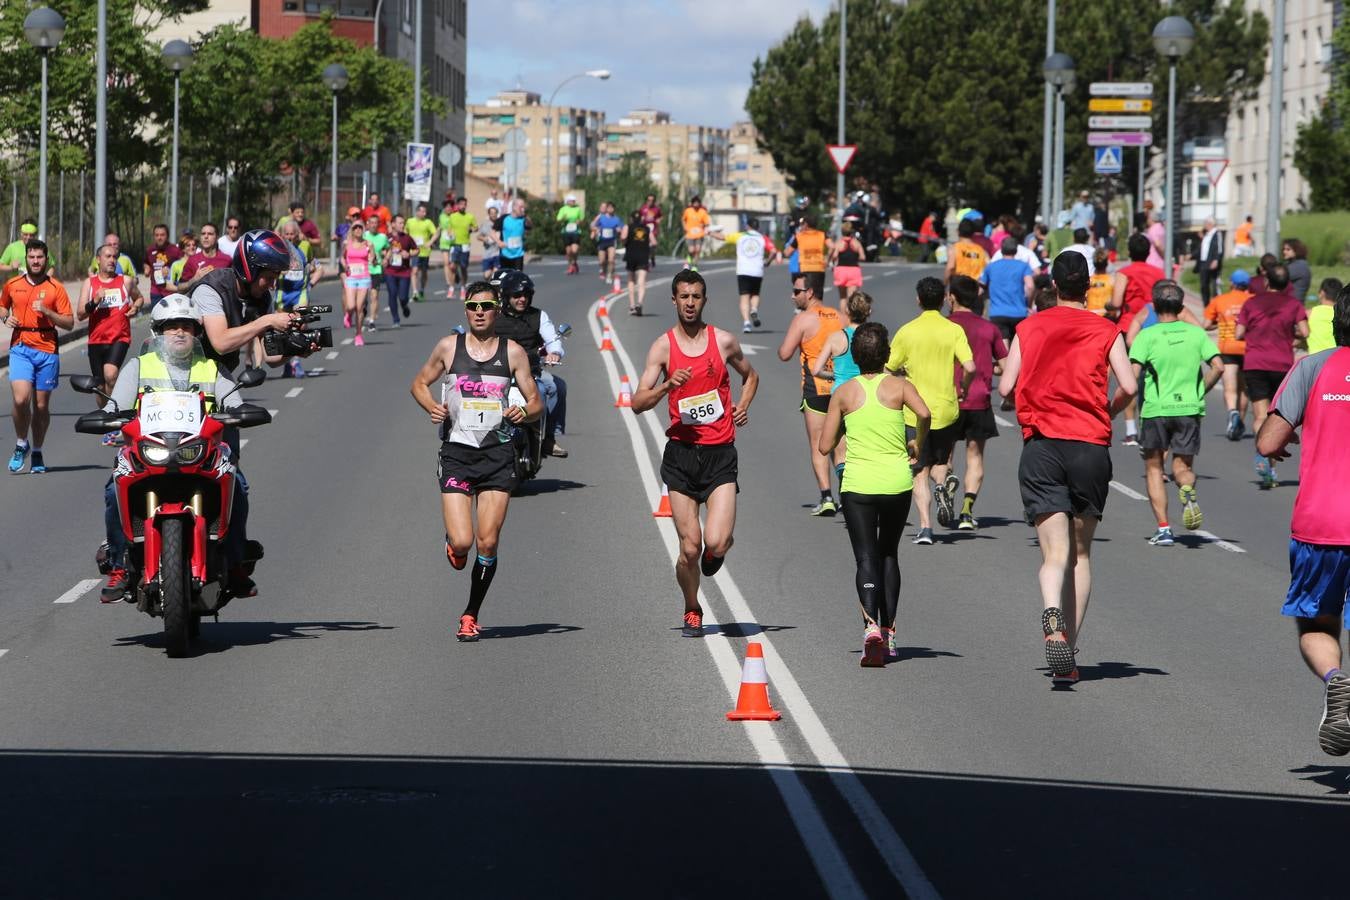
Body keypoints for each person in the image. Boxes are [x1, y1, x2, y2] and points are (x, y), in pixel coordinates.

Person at [998, 251, 1137, 686]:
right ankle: (1070, 650)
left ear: (1054, 285)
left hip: (1042, 446)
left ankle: (1051, 615)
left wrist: (1028, 398)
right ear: (1089, 286)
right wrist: (1106, 412)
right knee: (1080, 554)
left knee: (1053, 554)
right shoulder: (1107, 329)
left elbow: (1006, 386)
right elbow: (1129, 385)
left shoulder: (1029, 327)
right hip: (1089, 446)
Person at [409, 280, 544, 642]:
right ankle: (453, 544)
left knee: (488, 542)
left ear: (497, 310)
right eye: (473, 306)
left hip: (498, 455)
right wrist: (432, 406)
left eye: (486, 306)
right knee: (463, 542)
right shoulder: (448, 347)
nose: (479, 312)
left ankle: (470, 614)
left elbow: (536, 403)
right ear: (466, 310)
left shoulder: (513, 352)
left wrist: (523, 412)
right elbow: (419, 383)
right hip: (458, 453)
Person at [631, 269, 758, 637]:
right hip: (682, 457)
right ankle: (692, 607)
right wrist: (667, 386)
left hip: (720, 454)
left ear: (704, 300)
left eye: (696, 297)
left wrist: (742, 405)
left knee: (715, 541)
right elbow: (637, 402)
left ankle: (718, 550)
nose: (690, 303)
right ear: (674, 300)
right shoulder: (663, 347)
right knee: (690, 549)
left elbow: (751, 376)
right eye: (684, 297)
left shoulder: (724, 341)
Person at [97, 294, 249, 602]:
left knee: (239, 485)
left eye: (187, 326)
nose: (179, 332)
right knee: (114, 489)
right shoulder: (138, 366)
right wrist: (106, 416)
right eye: (171, 326)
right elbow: (115, 407)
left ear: (197, 333)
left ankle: (235, 565)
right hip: (146, 453)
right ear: (157, 332)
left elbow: (235, 402)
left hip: (202, 453)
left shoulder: (212, 368)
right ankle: (119, 566)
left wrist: (241, 412)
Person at [1255, 287, 1350, 755]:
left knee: (1316, 623)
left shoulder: (1313, 367)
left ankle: (1335, 678)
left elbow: (1268, 442)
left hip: (1322, 523)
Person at [818, 321, 930, 665]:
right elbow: (925, 413)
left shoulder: (844, 393)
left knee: (866, 557)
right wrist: (917, 443)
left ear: (854, 356)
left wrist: (845, 426)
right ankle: (889, 631)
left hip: (859, 485)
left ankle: (870, 628)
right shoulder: (900, 386)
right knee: (889, 554)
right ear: (887, 355)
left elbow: (824, 446)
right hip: (897, 483)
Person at [1128, 280, 1223, 546]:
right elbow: (1218, 366)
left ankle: (1164, 529)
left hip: (1156, 410)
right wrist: (1201, 390)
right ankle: (1187, 487)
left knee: (1154, 468)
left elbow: (1132, 378)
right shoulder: (1196, 335)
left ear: (1154, 307)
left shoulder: (1146, 336)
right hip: (1189, 409)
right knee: (1183, 467)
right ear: (1182, 307)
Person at [885, 276, 975, 544]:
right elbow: (970, 367)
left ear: (918, 300)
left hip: (915, 412)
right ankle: (943, 485)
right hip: (946, 409)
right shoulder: (953, 330)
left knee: (918, 470)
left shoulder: (907, 331)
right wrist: (963, 387)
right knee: (941, 463)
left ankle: (925, 528)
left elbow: (888, 368)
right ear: (944, 299)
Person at [1, 239, 73, 474]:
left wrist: (48, 311)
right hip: (20, 346)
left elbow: (69, 323)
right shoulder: (12, 284)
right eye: (31, 257)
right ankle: (21, 443)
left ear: (46, 259)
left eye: (39, 257)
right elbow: (2, 306)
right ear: (26, 259)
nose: (35, 261)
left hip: (47, 349)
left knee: (41, 406)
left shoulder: (56, 288)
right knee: (20, 399)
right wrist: (5, 318)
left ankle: (38, 451)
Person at [1236, 263, 1309, 488]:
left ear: (1267, 281)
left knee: (1260, 415)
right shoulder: (1294, 304)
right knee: (1275, 415)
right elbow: (1305, 332)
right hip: (1282, 365)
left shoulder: (1251, 303)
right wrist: (1291, 338)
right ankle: (1272, 468)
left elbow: (1239, 333)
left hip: (1255, 363)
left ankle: (1262, 456)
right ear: (1287, 284)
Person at [778, 271, 844, 516]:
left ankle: (827, 498)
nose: (793, 296)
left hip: (815, 389)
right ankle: (846, 493)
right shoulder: (841, 317)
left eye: (797, 291)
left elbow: (784, 353)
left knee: (818, 446)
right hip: (841, 388)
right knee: (841, 446)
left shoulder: (803, 320)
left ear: (810, 292)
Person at [947, 275, 1007, 529]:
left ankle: (945, 488)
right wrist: (988, 368)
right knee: (975, 457)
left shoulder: (945, 325)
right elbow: (1004, 366)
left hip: (948, 399)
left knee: (944, 455)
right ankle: (967, 511)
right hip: (979, 399)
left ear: (952, 298)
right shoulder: (989, 329)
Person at [491, 270, 571, 458]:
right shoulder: (494, 316)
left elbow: (552, 338)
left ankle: (548, 437)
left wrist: (554, 353)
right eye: (517, 295)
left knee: (556, 387)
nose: (522, 299)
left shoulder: (538, 316)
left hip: (532, 372)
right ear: (506, 296)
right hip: (499, 372)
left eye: (526, 295)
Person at [77, 243, 145, 427]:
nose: (112, 260)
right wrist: (95, 301)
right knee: (100, 386)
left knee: (111, 374)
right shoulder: (90, 283)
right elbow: (80, 314)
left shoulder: (126, 281)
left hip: (119, 337)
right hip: (96, 339)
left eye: (115, 257)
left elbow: (139, 298)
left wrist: (135, 307)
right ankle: (106, 418)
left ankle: (114, 417)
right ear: (98, 260)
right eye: (108, 256)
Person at [1110, 233, 1166, 445]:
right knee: (1154, 378)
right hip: (1155, 326)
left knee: (1129, 380)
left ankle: (1131, 430)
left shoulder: (1124, 273)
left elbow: (1116, 302)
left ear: (1130, 252)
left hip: (1129, 327)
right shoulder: (1159, 272)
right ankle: (1150, 425)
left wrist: (1108, 306)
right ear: (1149, 252)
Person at [1204, 268, 1254, 440]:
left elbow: (1206, 324)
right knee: (1244, 389)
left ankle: (1233, 413)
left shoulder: (1220, 300)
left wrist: (1219, 323)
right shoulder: (1252, 300)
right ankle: (1240, 422)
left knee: (1230, 387)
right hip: (1248, 348)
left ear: (1232, 283)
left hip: (1227, 348)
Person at [981, 236, 1034, 345]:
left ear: (1001, 250)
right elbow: (1030, 286)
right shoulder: (1023, 266)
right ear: (1016, 250)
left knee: (1003, 350)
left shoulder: (991, 266)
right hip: (1019, 312)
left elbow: (981, 287)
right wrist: (1028, 304)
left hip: (997, 312)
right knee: (1017, 347)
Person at [727, 216, 774, 332]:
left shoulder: (740, 236)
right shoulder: (763, 238)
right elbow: (773, 251)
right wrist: (768, 262)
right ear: (758, 227)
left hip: (743, 270)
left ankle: (747, 323)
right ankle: (754, 309)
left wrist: (709, 232)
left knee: (744, 296)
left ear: (747, 226)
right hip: (757, 270)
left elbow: (723, 237)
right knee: (755, 294)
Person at [340, 220, 372, 347]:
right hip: (351, 277)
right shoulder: (347, 244)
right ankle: (348, 314)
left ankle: (358, 334)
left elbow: (372, 258)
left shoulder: (368, 243)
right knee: (351, 306)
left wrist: (372, 256)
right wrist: (345, 266)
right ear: (352, 230)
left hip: (364, 278)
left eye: (360, 228)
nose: (358, 230)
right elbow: (342, 258)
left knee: (360, 307)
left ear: (363, 230)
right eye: (355, 228)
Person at [173, 222, 230, 291]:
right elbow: (180, 288)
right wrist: (194, 279)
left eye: (210, 234)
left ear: (217, 237)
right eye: (203, 234)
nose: (206, 237)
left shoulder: (227, 260)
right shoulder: (192, 260)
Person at [382, 215, 417, 319]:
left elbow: (416, 250)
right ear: (393, 224)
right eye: (400, 223)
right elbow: (381, 249)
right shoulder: (386, 238)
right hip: (390, 271)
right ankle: (396, 319)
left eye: (403, 223)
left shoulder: (407, 238)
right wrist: (385, 255)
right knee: (392, 293)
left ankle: (404, 305)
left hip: (404, 272)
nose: (403, 225)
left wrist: (409, 254)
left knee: (403, 297)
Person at [442, 197, 476, 301]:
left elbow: (476, 227)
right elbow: (449, 229)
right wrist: (449, 233)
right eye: (461, 204)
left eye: (464, 204)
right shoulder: (452, 216)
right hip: (454, 245)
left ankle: (463, 288)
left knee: (463, 268)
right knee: (452, 266)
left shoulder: (470, 217)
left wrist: (472, 229)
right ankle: (451, 288)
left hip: (465, 245)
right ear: (457, 205)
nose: (463, 206)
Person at [142, 223, 182, 311]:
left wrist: (170, 271)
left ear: (167, 236)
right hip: (155, 290)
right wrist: (146, 268)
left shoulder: (175, 250)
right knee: (157, 315)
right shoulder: (150, 250)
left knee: (171, 315)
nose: (159, 238)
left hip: (170, 290)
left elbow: (183, 265)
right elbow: (146, 262)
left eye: (162, 235)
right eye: (157, 235)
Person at [405, 203, 437, 302]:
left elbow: (435, 233)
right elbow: (405, 233)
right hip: (414, 251)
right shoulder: (410, 221)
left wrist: (430, 242)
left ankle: (422, 290)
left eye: (425, 212)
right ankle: (415, 292)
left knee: (424, 272)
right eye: (422, 211)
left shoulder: (428, 222)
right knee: (414, 271)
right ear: (417, 212)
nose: (424, 213)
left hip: (425, 252)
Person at [830, 220, 865, 309]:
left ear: (842, 231)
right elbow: (863, 257)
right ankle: (850, 316)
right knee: (851, 298)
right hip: (854, 270)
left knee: (842, 297)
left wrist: (833, 262)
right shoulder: (856, 243)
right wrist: (854, 257)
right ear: (852, 231)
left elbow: (834, 256)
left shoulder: (839, 243)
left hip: (841, 270)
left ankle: (843, 316)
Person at [622, 210, 651, 315]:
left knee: (631, 280)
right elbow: (654, 242)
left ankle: (632, 305)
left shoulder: (627, 227)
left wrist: (626, 242)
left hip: (631, 255)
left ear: (631, 218)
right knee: (641, 280)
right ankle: (640, 303)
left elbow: (623, 238)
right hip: (643, 256)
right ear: (641, 218)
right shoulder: (647, 228)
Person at [360, 214, 386, 328]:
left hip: (376, 270)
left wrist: (386, 259)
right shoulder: (363, 236)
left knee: (374, 296)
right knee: (363, 298)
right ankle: (363, 313)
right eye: (372, 223)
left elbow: (388, 249)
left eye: (376, 223)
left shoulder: (382, 237)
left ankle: (371, 321)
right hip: (363, 270)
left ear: (378, 224)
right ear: (368, 224)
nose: (374, 225)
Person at [946, 218, 989, 283]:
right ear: (973, 233)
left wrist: (945, 283)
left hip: (959, 285)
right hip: (975, 285)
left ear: (958, 231)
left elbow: (950, 267)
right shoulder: (982, 251)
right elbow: (989, 266)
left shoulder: (954, 249)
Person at [1307, 277, 1342, 355]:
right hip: (1336, 355)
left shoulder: (1310, 313)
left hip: (1315, 356)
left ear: (1322, 293)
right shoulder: (1342, 314)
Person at [591, 201, 623, 287]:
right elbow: (592, 226)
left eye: (612, 208)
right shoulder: (601, 218)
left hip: (611, 241)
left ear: (614, 209)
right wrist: (596, 229)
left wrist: (619, 230)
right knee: (601, 261)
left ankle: (609, 275)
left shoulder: (617, 219)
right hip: (602, 241)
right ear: (606, 209)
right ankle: (605, 271)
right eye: (609, 207)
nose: (610, 209)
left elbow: (621, 228)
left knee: (611, 260)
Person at [1196, 217, 1225, 304]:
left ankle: (1216, 303)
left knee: (1214, 284)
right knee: (1204, 285)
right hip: (1203, 262)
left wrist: (1216, 259)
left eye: (1205, 223)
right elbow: (1203, 248)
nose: (1204, 226)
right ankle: (1206, 304)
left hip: (1212, 261)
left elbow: (1219, 248)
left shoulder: (1217, 233)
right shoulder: (1206, 235)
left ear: (1210, 224)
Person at [496, 199, 529, 271]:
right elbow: (492, 232)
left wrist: (526, 217)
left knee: (517, 276)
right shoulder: (504, 218)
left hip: (518, 255)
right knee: (505, 276)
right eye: (521, 207)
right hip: (505, 254)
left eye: (524, 207)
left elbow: (530, 226)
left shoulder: (523, 219)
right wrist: (499, 242)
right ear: (514, 207)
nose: (523, 209)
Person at [681, 195, 712, 270]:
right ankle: (688, 257)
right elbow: (683, 219)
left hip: (699, 234)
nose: (696, 204)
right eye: (694, 203)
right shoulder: (688, 211)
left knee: (697, 250)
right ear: (692, 203)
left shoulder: (703, 212)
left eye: (697, 203)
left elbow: (707, 223)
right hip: (690, 234)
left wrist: (704, 226)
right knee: (691, 250)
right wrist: (685, 227)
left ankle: (695, 265)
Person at [557, 195, 586, 275]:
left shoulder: (578, 209)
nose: (572, 202)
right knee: (568, 251)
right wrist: (564, 219)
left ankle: (574, 262)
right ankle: (571, 266)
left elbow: (582, 219)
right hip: (566, 232)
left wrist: (579, 221)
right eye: (571, 201)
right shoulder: (563, 209)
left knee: (575, 250)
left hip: (575, 232)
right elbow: (558, 219)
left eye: (573, 201)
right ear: (567, 201)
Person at [1085, 249, 1114, 316]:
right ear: (1107, 263)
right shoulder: (1112, 280)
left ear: (1094, 263)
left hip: (1090, 316)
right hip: (1106, 316)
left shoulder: (1088, 281)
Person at [639, 194, 663, 269]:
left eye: (652, 200)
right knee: (645, 245)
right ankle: (646, 261)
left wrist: (659, 220)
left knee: (653, 245)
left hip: (653, 229)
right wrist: (641, 220)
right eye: (649, 200)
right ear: (646, 200)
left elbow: (661, 216)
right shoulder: (643, 208)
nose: (650, 202)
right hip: (644, 228)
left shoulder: (656, 209)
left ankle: (652, 257)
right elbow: (639, 217)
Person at [478, 206, 501, 275]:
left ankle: (494, 281)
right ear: (489, 214)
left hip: (497, 253)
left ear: (497, 213)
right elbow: (478, 236)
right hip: (488, 253)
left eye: (495, 213)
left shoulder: (500, 223)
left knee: (495, 273)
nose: (493, 215)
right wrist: (485, 239)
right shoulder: (485, 224)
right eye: (491, 213)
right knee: (487, 275)